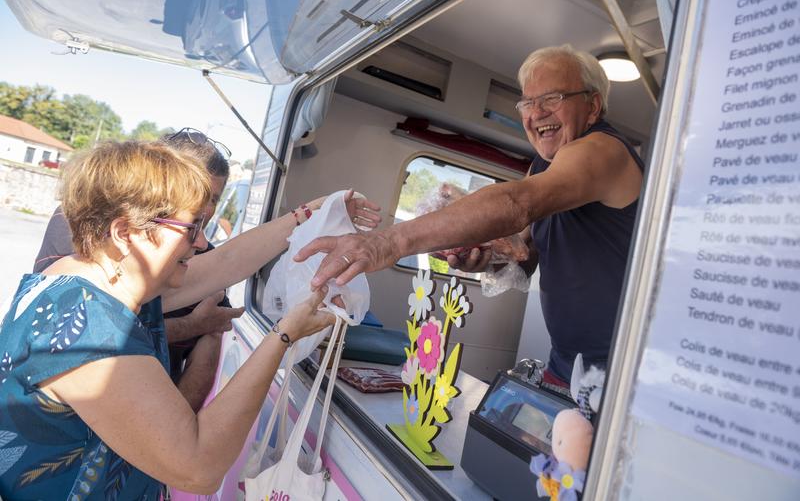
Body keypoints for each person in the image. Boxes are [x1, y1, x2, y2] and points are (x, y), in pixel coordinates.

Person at [0, 140, 380, 498]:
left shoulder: (91, 278)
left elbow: (226, 262)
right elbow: (198, 468)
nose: (201, 242)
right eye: (191, 227)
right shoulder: (85, 328)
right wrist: (282, 336)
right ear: (125, 232)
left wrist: (312, 213)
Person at [295, 44, 644, 384]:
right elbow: (524, 253)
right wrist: (489, 258)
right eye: (527, 102)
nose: (536, 113)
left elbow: (516, 205)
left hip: (620, 377)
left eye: (552, 99)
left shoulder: (604, 149)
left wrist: (387, 242)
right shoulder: (543, 166)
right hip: (565, 365)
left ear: (593, 105)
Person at [32, 128, 243, 411]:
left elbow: (212, 333)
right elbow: (88, 329)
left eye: (214, 198)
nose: (205, 209)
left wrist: (176, 430)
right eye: (197, 191)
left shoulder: (201, 250)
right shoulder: (79, 224)